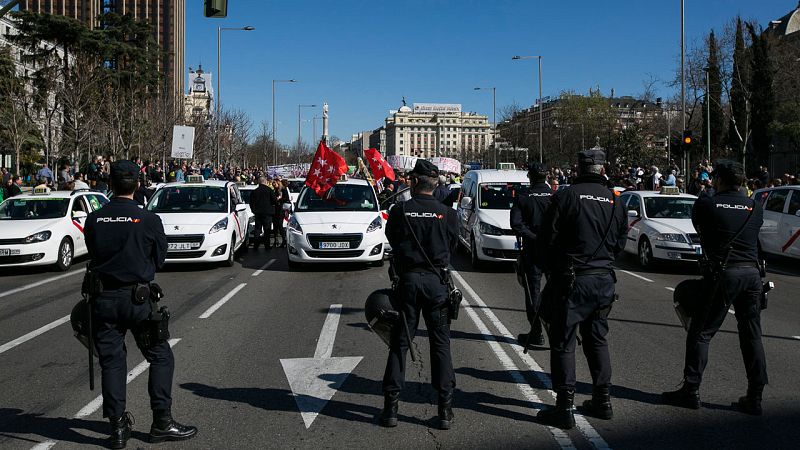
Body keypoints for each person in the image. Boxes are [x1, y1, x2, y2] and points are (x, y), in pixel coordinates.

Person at [84, 160, 196, 449]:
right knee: (160, 356)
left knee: (112, 363)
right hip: (137, 299)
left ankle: (118, 427)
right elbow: (160, 258)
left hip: (104, 299)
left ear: (110, 184)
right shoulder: (148, 219)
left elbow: (93, 252)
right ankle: (162, 422)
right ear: (137, 184)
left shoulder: (94, 219)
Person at [662, 160, 767, 415]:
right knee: (751, 335)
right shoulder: (755, 207)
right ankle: (755, 396)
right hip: (752, 274)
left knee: (701, 332)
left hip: (724, 273)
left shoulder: (707, 204)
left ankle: (691, 390)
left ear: (718, 179)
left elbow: (700, 227)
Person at [535, 148, 628, 430]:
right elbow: (620, 243)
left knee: (564, 342)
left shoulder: (567, 196)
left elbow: (546, 239)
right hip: (603, 279)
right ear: (603, 170)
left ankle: (564, 407)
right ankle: (603, 400)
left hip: (572, 279)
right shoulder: (615, 200)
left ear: (578, 169)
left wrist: (552, 269)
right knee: (597, 339)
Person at [381, 159, 459, 430]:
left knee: (400, 344)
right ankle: (445, 409)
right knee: (441, 344)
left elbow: (392, 239)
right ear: (435, 184)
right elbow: (452, 245)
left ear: (414, 182)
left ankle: (391, 408)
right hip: (437, 284)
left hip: (409, 282)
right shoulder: (447, 213)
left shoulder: (400, 210)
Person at [510, 162, 552, 348]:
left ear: (530, 177)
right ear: (547, 176)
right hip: (553, 251)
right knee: (555, 291)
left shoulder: (524, 196)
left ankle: (537, 333)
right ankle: (555, 329)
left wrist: (534, 237)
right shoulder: (555, 196)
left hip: (533, 251)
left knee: (533, 293)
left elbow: (516, 224)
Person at [249, 176, 277, 250]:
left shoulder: (255, 191)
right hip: (267, 213)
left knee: (257, 229)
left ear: (259, 182)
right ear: (265, 182)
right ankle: (267, 245)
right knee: (267, 230)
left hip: (258, 213)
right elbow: (274, 201)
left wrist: (253, 210)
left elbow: (251, 203)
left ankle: (256, 245)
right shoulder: (269, 190)